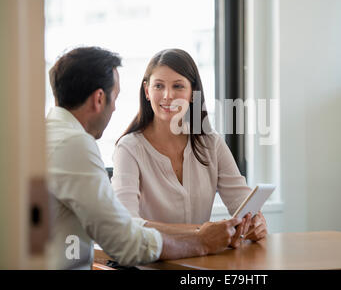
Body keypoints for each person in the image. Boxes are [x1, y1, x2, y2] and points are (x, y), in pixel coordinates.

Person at [46, 46, 246, 270]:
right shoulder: (77, 145)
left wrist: (249, 222)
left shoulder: (46, 137)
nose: (115, 108)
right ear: (99, 99)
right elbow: (123, 240)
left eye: (178, 86)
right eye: (115, 97)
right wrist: (200, 238)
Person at [111, 48, 267, 242]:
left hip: (199, 260)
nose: (168, 95)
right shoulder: (129, 149)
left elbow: (242, 204)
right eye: (159, 86)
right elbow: (126, 223)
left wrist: (256, 222)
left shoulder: (211, 143)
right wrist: (201, 232)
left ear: (193, 93)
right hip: (148, 261)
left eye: (178, 86)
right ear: (147, 91)